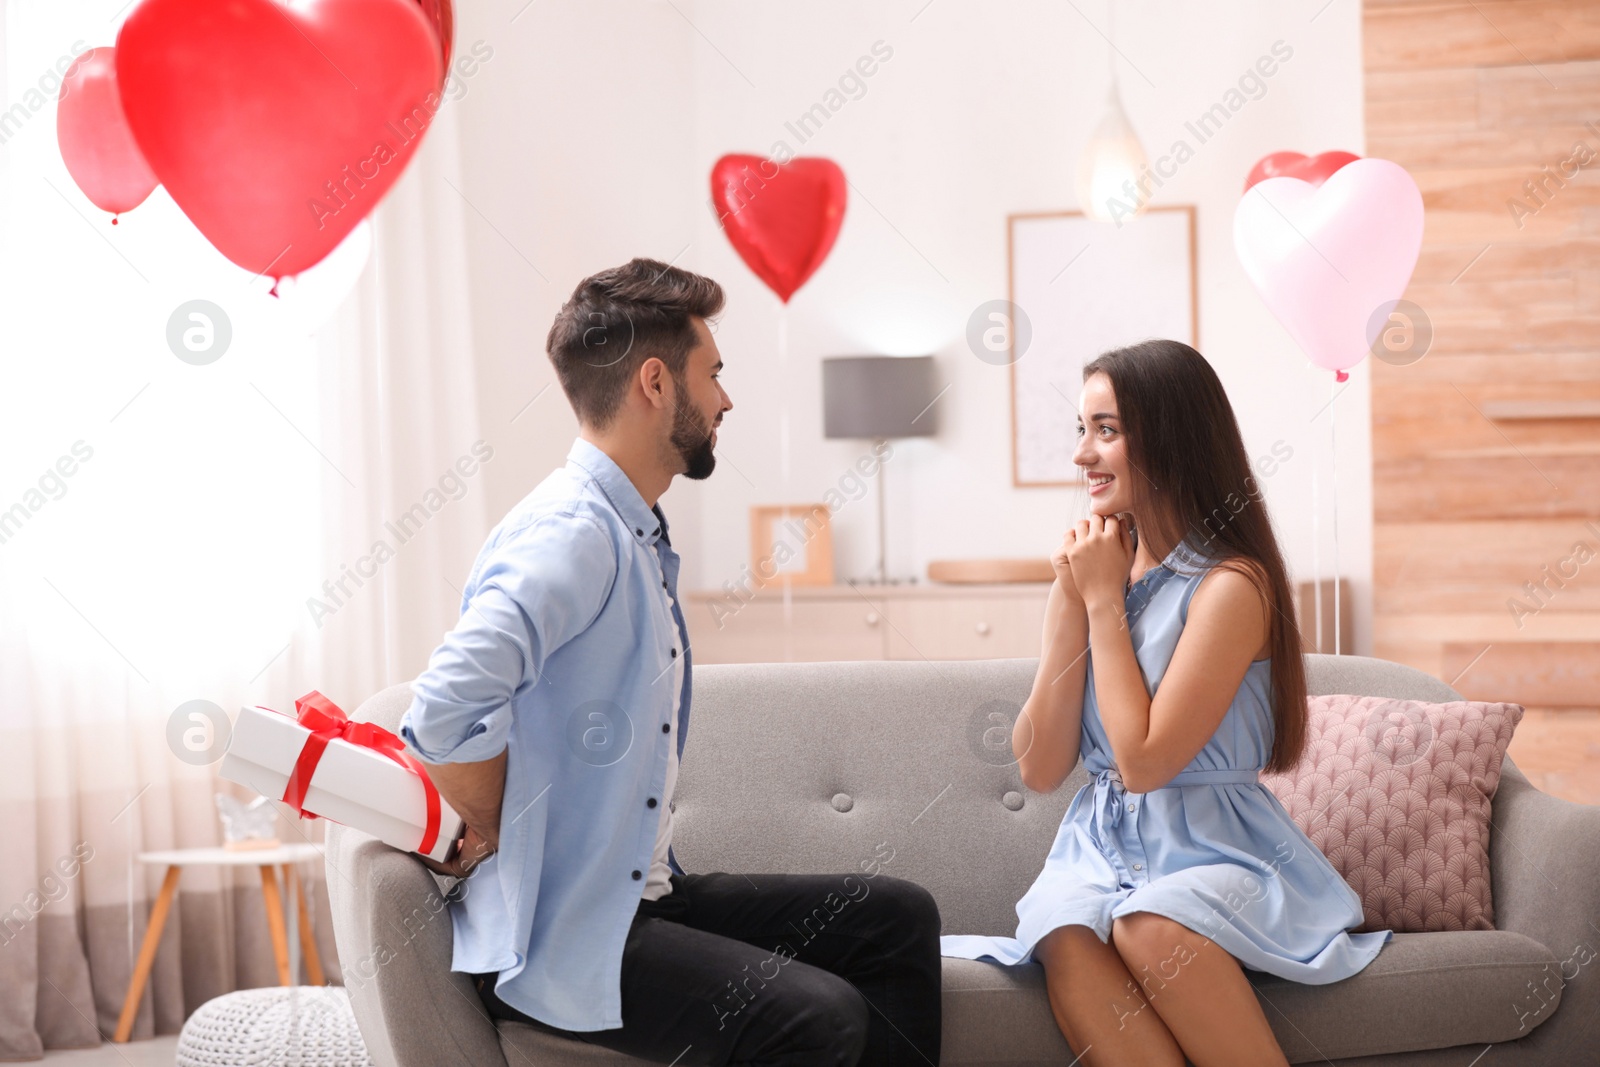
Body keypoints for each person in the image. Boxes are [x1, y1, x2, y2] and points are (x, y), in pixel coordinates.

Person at [398, 258, 942, 1067]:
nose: (726, 399)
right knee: (817, 1016)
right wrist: (479, 818)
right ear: (656, 383)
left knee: (895, 918)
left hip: (638, 899)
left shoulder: (630, 530)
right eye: (713, 373)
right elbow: (443, 706)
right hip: (567, 931)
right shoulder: (574, 532)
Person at [940, 340, 1391, 1066]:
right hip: (1097, 849)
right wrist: (1071, 601)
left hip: (1215, 848)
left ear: (1172, 437)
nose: (1083, 454)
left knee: (1149, 925)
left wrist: (1100, 603)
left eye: (1106, 430)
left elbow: (1145, 760)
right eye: (1081, 430)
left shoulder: (1231, 586)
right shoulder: (1100, 573)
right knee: (1066, 928)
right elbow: (1040, 766)